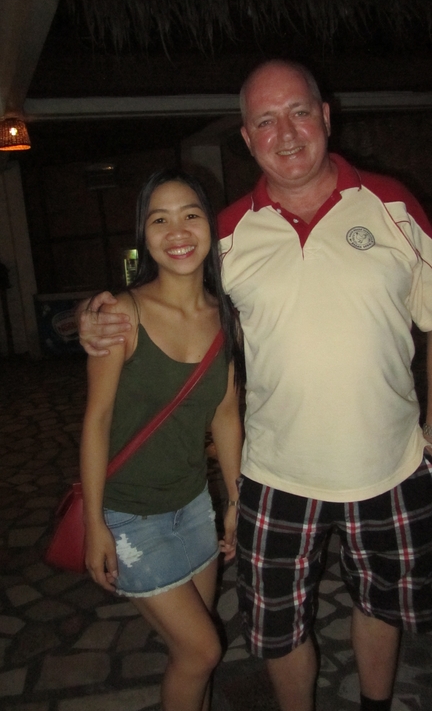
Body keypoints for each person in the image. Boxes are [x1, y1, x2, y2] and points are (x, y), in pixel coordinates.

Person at [77, 61, 432, 711]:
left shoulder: (393, 206)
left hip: (391, 467)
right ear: (246, 138)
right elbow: (169, 290)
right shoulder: (227, 235)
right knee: (276, 629)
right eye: (266, 120)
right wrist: (92, 316)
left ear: (326, 116)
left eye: (299, 112)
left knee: (382, 605)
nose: (286, 133)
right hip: (275, 475)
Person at [79, 168, 243, 711]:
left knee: (193, 651)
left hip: (193, 506)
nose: (177, 231)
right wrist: (95, 523)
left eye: (190, 215)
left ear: (210, 226)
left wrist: (235, 500)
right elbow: (97, 421)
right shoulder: (121, 315)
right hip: (130, 517)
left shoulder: (224, 315)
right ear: (144, 235)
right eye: (159, 219)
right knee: (202, 651)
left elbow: (225, 414)